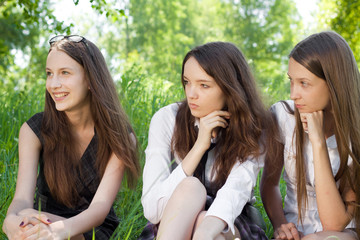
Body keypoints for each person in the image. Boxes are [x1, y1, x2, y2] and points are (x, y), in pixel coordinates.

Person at [2, 35, 140, 240]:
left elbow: (99, 209)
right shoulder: (33, 130)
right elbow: (22, 198)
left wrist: (57, 231)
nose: (53, 84)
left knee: (34, 222)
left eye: (64, 73)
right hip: (43, 220)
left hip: (89, 229)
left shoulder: (119, 137)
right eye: (49, 74)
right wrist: (11, 220)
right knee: (26, 217)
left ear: (91, 80)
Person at [140, 41, 274, 240]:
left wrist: (202, 233)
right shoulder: (167, 119)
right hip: (173, 221)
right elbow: (152, 211)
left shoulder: (253, 128)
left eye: (204, 85)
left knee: (208, 224)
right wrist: (199, 146)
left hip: (230, 221)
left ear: (231, 89)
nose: (191, 93)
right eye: (187, 82)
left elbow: (233, 194)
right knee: (190, 187)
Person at [260, 31, 360, 240]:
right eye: (291, 81)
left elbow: (334, 224)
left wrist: (317, 142)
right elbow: (269, 184)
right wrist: (280, 225)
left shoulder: (355, 135)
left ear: (334, 84)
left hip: (341, 234)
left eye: (304, 83)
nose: (293, 94)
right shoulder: (282, 118)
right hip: (294, 230)